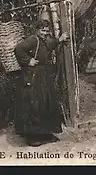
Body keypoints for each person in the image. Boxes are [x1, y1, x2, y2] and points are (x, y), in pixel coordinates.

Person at [14, 19, 69, 147]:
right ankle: (33, 137)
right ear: (37, 30)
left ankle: (45, 133)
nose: (45, 33)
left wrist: (60, 39)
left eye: (46, 31)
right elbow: (19, 49)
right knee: (35, 105)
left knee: (46, 104)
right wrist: (28, 61)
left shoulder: (43, 41)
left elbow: (50, 45)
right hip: (33, 76)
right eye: (42, 30)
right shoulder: (33, 39)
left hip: (43, 76)